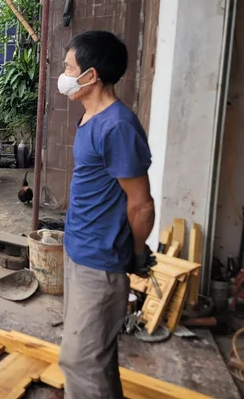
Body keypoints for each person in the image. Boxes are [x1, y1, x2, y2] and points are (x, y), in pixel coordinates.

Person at [57, 31, 156, 398]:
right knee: (96, 360)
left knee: (79, 363)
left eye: (69, 68)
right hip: (79, 252)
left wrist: (137, 252)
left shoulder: (117, 126)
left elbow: (142, 204)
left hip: (100, 262)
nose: (64, 76)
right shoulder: (91, 117)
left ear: (91, 75)